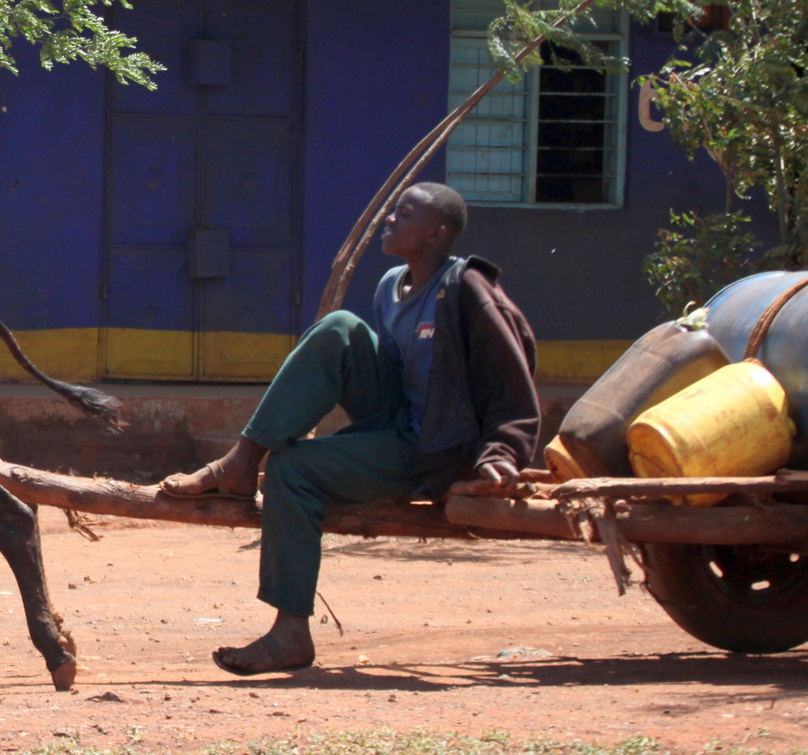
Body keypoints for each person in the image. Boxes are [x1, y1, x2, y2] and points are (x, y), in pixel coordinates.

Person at [160, 182, 539, 674]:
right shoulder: (389, 286)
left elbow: (514, 372)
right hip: (397, 419)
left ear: (435, 234)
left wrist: (502, 452)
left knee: (293, 470)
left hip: (435, 447)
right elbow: (390, 373)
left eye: (404, 215)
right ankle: (241, 459)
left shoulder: (466, 288)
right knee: (339, 327)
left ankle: (290, 634)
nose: (390, 220)